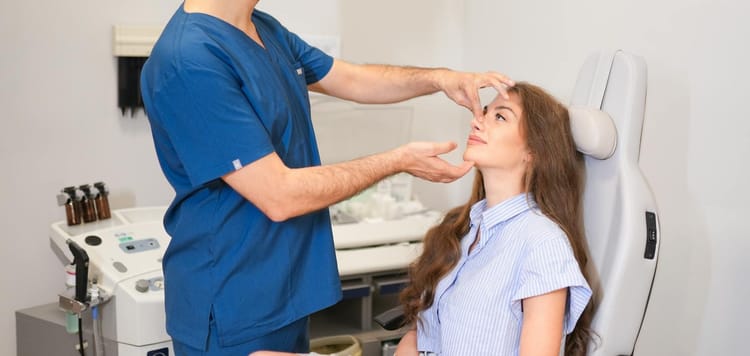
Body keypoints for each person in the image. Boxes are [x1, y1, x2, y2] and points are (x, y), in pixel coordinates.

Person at [139, 0, 515, 355]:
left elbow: (353, 79)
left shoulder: (263, 29)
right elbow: (279, 195)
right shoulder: (189, 59)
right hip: (232, 302)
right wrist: (397, 160)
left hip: (284, 292)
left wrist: (441, 79)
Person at [394, 82, 596, 356]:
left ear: (533, 152)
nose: (478, 121)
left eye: (500, 116)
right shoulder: (463, 228)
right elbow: (424, 333)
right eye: (484, 113)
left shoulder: (542, 242)